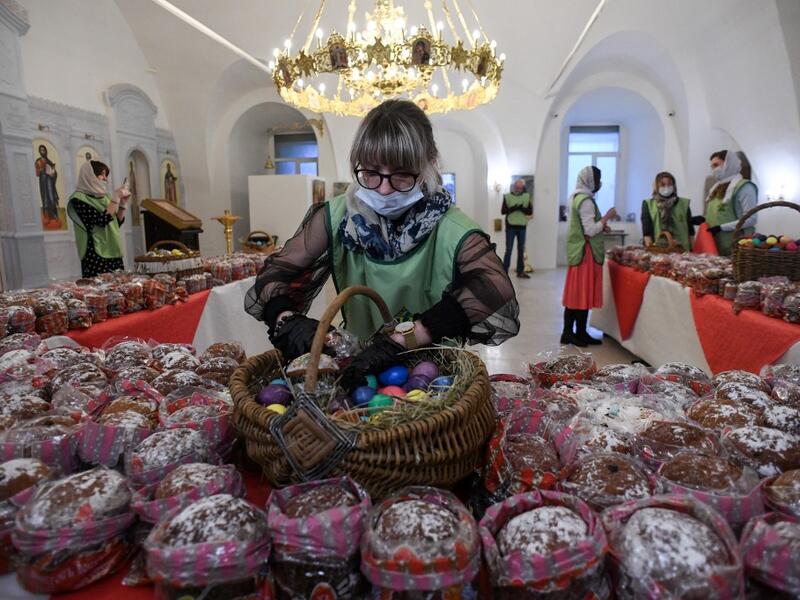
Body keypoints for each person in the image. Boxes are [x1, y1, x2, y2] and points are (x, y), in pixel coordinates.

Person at [245, 100, 519, 385]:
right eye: (372, 172)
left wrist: (404, 339)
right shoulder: (337, 217)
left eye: (401, 174)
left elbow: (494, 286)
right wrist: (288, 320)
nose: (385, 189)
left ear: (429, 164)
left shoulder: (452, 229)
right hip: (357, 371)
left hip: (433, 378)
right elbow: (274, 275)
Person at [561, 166, 616, 346]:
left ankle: (568, 332)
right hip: (586, 253)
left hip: (578, 251)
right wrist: (606, 217)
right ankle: (579, 333)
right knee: (581, 295)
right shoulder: (586, 201)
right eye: (598, 179)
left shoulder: (576, 197)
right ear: (591, 181)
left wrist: (601, 225)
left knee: (575, 295)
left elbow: (584, 226)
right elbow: (590, 230)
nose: (599, 183)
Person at [67, 161, 129, 278]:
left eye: (106, 175)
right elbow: (102, 221)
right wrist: (115, 198)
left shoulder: (105, 197)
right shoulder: (78, 199)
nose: (105, 179)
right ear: (89, 175)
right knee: (99, 291)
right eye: (102, 174)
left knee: (118, 289)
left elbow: (116, 223)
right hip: (95, 252)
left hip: (113, 248)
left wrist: (122, 205)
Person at [704, 149, 758, 255]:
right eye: (712, 166)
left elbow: (751, 219)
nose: (713, 169)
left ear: (729, 164)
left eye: (716, 165)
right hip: (715, 243)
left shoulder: (744, 187)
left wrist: (721, 227)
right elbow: (718, 214)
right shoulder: (716, 188)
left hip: (736, 243)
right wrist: (704, 219)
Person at [641, 171, 697, 250]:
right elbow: (646, 233)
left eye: (669, 184)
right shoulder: (648, 204)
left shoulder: (684, 203)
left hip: (682, 251)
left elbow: (691, 231)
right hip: (658, 251)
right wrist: (650, 250)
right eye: (663, 185)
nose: (666, 187)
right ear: (657, 186)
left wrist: (693, 251)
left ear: (674, 186)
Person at [501, 179, 533, 278]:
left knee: (521, 249)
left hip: (522, 226)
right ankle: (504, 272)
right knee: (509, 249)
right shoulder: (507, 196)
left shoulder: (526, 197)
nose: (518, 189)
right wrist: (514, 208)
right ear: (514, 186)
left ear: (523, 187)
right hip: (510, 227)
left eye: (520, 187)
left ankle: (520, 271)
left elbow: (529, 211)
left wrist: (522, 208)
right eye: (517, 187)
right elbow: (503, 211)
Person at [35, 144, 59, 226]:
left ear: (46, 151)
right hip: (43, 181)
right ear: (39, 151)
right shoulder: (38, 161)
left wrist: (53, 173)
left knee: (52, 198)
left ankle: (54, 217)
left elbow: (54, 172)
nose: (43, 152)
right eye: (41, 150)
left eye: (44, 150)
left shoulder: (49, 161)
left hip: (49, 181)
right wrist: (41, 169)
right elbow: (37, 173)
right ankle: (47, 217)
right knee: (45, 198)